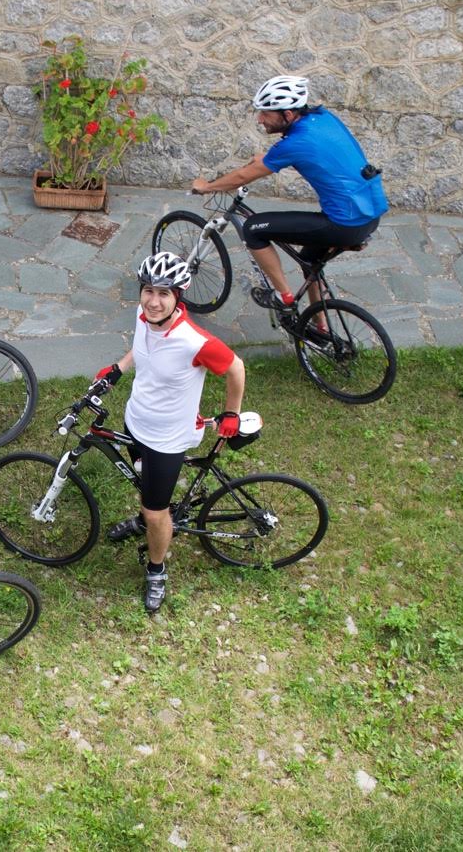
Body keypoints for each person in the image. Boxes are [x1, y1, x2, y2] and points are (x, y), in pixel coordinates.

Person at [94, 253, 246, 614]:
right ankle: (148, 517)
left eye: (164, 293)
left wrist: (231, 414)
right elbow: (142, 345)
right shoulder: (144, 316)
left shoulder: (195, 341)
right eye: (148, 290)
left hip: (166, 438)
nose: (153, 300)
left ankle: (157, 568)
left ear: (179, 296)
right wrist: (119, 367)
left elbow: (236, 368)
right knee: (142, 483)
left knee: (155, 509)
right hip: (137, 421)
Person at [191, 75, 388, 317]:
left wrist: (207, 186)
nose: (260, 119)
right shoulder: (323, 118)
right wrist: (269, 158)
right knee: (309, 261)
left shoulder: (294, 143)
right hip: (370, 215)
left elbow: (243, 177)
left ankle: (284, 299)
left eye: (266, 113)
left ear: (288, 114)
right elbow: (321, 154)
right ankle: (321, 330)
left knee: (253, 228)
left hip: (343, 224)